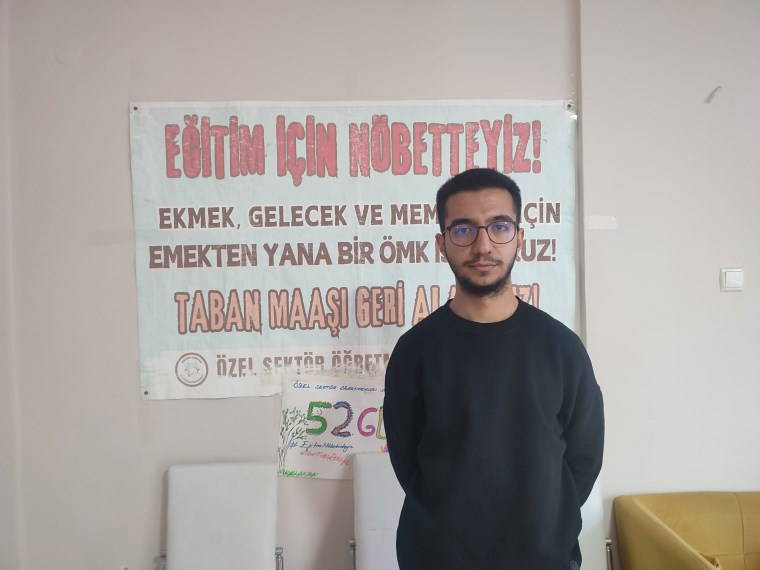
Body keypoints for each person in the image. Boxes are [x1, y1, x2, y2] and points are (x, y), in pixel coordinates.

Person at [383, 168, 604, 570]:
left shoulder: (561, 348)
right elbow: (407, 459)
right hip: (437, 558)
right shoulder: (415, 351)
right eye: (463, 230)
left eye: (499, 226)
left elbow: (584, 457)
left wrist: (545, 522)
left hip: (543, 559)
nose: (482, 245)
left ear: (519, 237)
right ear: (442, 243)